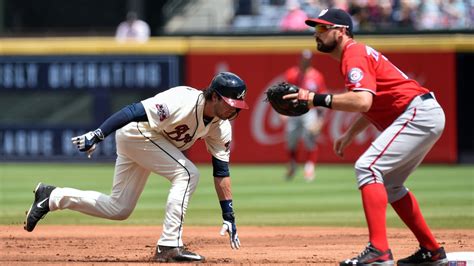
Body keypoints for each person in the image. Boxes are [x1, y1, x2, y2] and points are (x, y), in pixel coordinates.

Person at [24, 72, 248, 262]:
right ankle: (169, 245)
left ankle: (52, 196)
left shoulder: (221, 127)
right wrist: (98, 134)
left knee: (119, 208)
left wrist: (228, 214)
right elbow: (133, 110)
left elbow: (221, 172)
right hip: (138, 133)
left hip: (152, 142)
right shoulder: (182, 100)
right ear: (215, 97)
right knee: (187, 174)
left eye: (238, 106)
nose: (234, 111)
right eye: (231, 105)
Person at [286, 8, 447, 266]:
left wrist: (314, 99)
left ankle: (379, 250)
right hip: (423, 112)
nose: (316, 34)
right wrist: (350, 134)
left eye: (322, 28)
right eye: (315, 29)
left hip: (417, 112)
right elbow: (371, 103)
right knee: (391, 185)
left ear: (341, 32)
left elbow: (361, 101)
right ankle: (431, 250)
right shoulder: (353, 55)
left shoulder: (354, 53)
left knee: (367, 166)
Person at [283, 49, 328, 182]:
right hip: (293, 110)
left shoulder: (317, 76)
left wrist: (320, 120)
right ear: (300, 59)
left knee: (310, 137)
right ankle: (292, 164)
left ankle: (309, 167)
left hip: (309, 110)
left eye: (307, 60)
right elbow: (283, 94)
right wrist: (283, 111)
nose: (305, 62)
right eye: (303, 59)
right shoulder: (291, 74)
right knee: (291, 139)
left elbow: (322, 98)